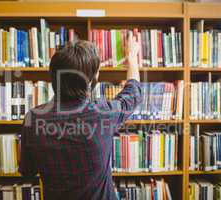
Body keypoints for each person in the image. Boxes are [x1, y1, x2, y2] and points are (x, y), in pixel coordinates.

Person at [19, 36, 142, 200]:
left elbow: (27, 171)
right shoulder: (103, 113)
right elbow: (133, 94)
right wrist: (132, 58)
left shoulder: (32, 120)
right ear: (92, 80)